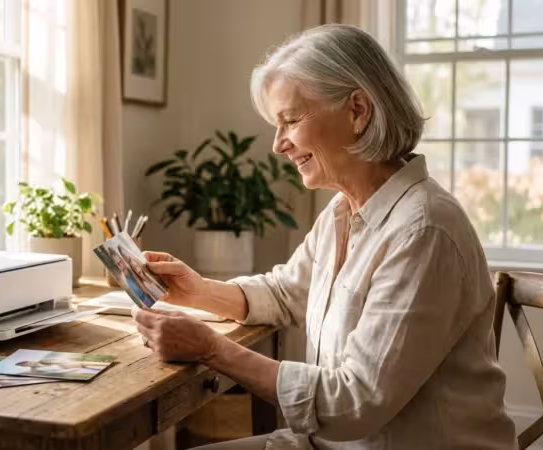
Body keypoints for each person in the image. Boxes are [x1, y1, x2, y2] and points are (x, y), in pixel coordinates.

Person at [132, 24, 517, 450]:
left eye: (291, 120)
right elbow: (285, 292)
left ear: (357, 110)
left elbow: (353, 403)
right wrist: (198, 291)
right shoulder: (343, 211)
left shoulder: (423, 231)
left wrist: (213, 351)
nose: (279, 145)